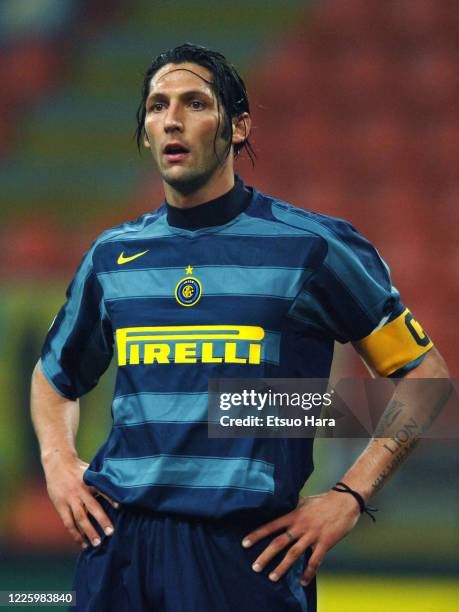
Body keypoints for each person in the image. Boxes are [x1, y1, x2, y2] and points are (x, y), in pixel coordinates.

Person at [31, 44, 449, 612]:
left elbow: (426, 376)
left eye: (195, 103)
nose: (172, 120)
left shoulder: (312, 248)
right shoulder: (113, 256)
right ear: (146, 133)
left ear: (238, 126)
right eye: (157, 107)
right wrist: (58, 463)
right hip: (118, 550)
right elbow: (55, 378)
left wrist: (350, 496)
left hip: (245, 554)